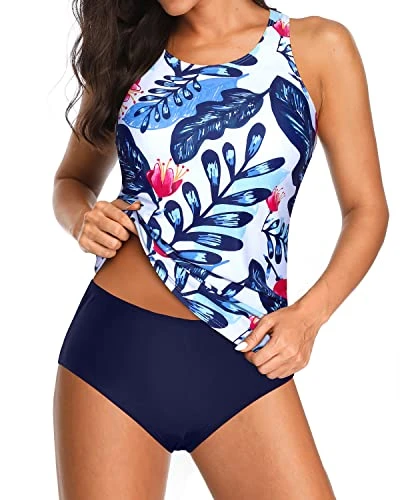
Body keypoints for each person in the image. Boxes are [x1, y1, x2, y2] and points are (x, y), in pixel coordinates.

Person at [52, 1, 389, 498]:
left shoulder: (316, 47)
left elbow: (367, 209)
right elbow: (71, 180)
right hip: (114, 350)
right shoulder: (130, 51)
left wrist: (308, 318)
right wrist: (82, 218)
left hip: (244, 353)